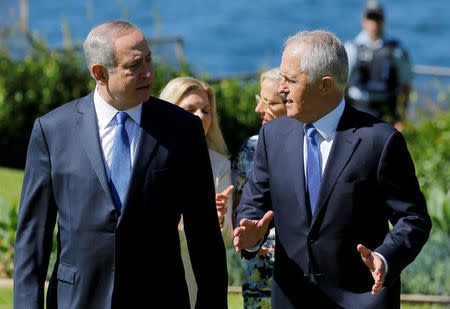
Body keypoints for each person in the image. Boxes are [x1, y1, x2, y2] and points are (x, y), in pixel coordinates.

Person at [13, 20, 228, 309]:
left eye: (149, 59)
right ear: (100, 73)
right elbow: (32, 240)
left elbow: (205, 235)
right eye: (135, 65)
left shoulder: (182, 130)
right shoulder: (52, 131)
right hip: (77, 301)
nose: (149, 73)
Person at [233, 30, 431, 308]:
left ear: (325, 85)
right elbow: (254, 206)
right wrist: (252, 234)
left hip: (362, 300)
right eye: (281, 78)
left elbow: (414, 220)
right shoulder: (272, 135)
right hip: (290, 299)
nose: (281, 89)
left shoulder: (380, 140)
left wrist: (385, 258)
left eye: (290, 80)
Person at [159, 76, 233, 308]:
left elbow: (227, 239)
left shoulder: (220, 164)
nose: (200, 116)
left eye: (206, 110)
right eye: (190, 109)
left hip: (197, 277)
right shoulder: (150, 157)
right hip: (153, 274)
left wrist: (218, 219)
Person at [231, 67, 286, 308]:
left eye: (268, 102)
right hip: (258, 275)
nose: (258, 109)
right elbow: (239, 209)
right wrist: (248, 234)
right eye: (259, 100)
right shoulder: (250, 148)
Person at [345, 0, 412, 131]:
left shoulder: (396, 50)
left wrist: (401, 119)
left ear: (384, 20)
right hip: (357, 109)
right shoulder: (352, 48)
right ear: (363, 20)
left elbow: (406, 86)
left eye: (378, 17)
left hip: (386, 111)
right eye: (371, 17)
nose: (374, 22)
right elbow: (341, 85)